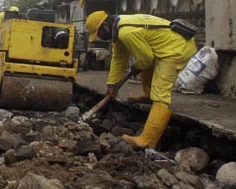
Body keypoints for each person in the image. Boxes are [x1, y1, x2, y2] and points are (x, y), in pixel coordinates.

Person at [84, 11, 197, 149]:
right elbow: (119, 59)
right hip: (168, 44)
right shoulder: (119, 29)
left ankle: (147, 140)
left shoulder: (126, 32)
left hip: (176, 48)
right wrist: (112, 84)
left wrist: (136, 67)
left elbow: (146, 59)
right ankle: (147, 94)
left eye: (99, 34)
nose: (100, 38)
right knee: (147, 65)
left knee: (160, 94)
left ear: (105, 26)